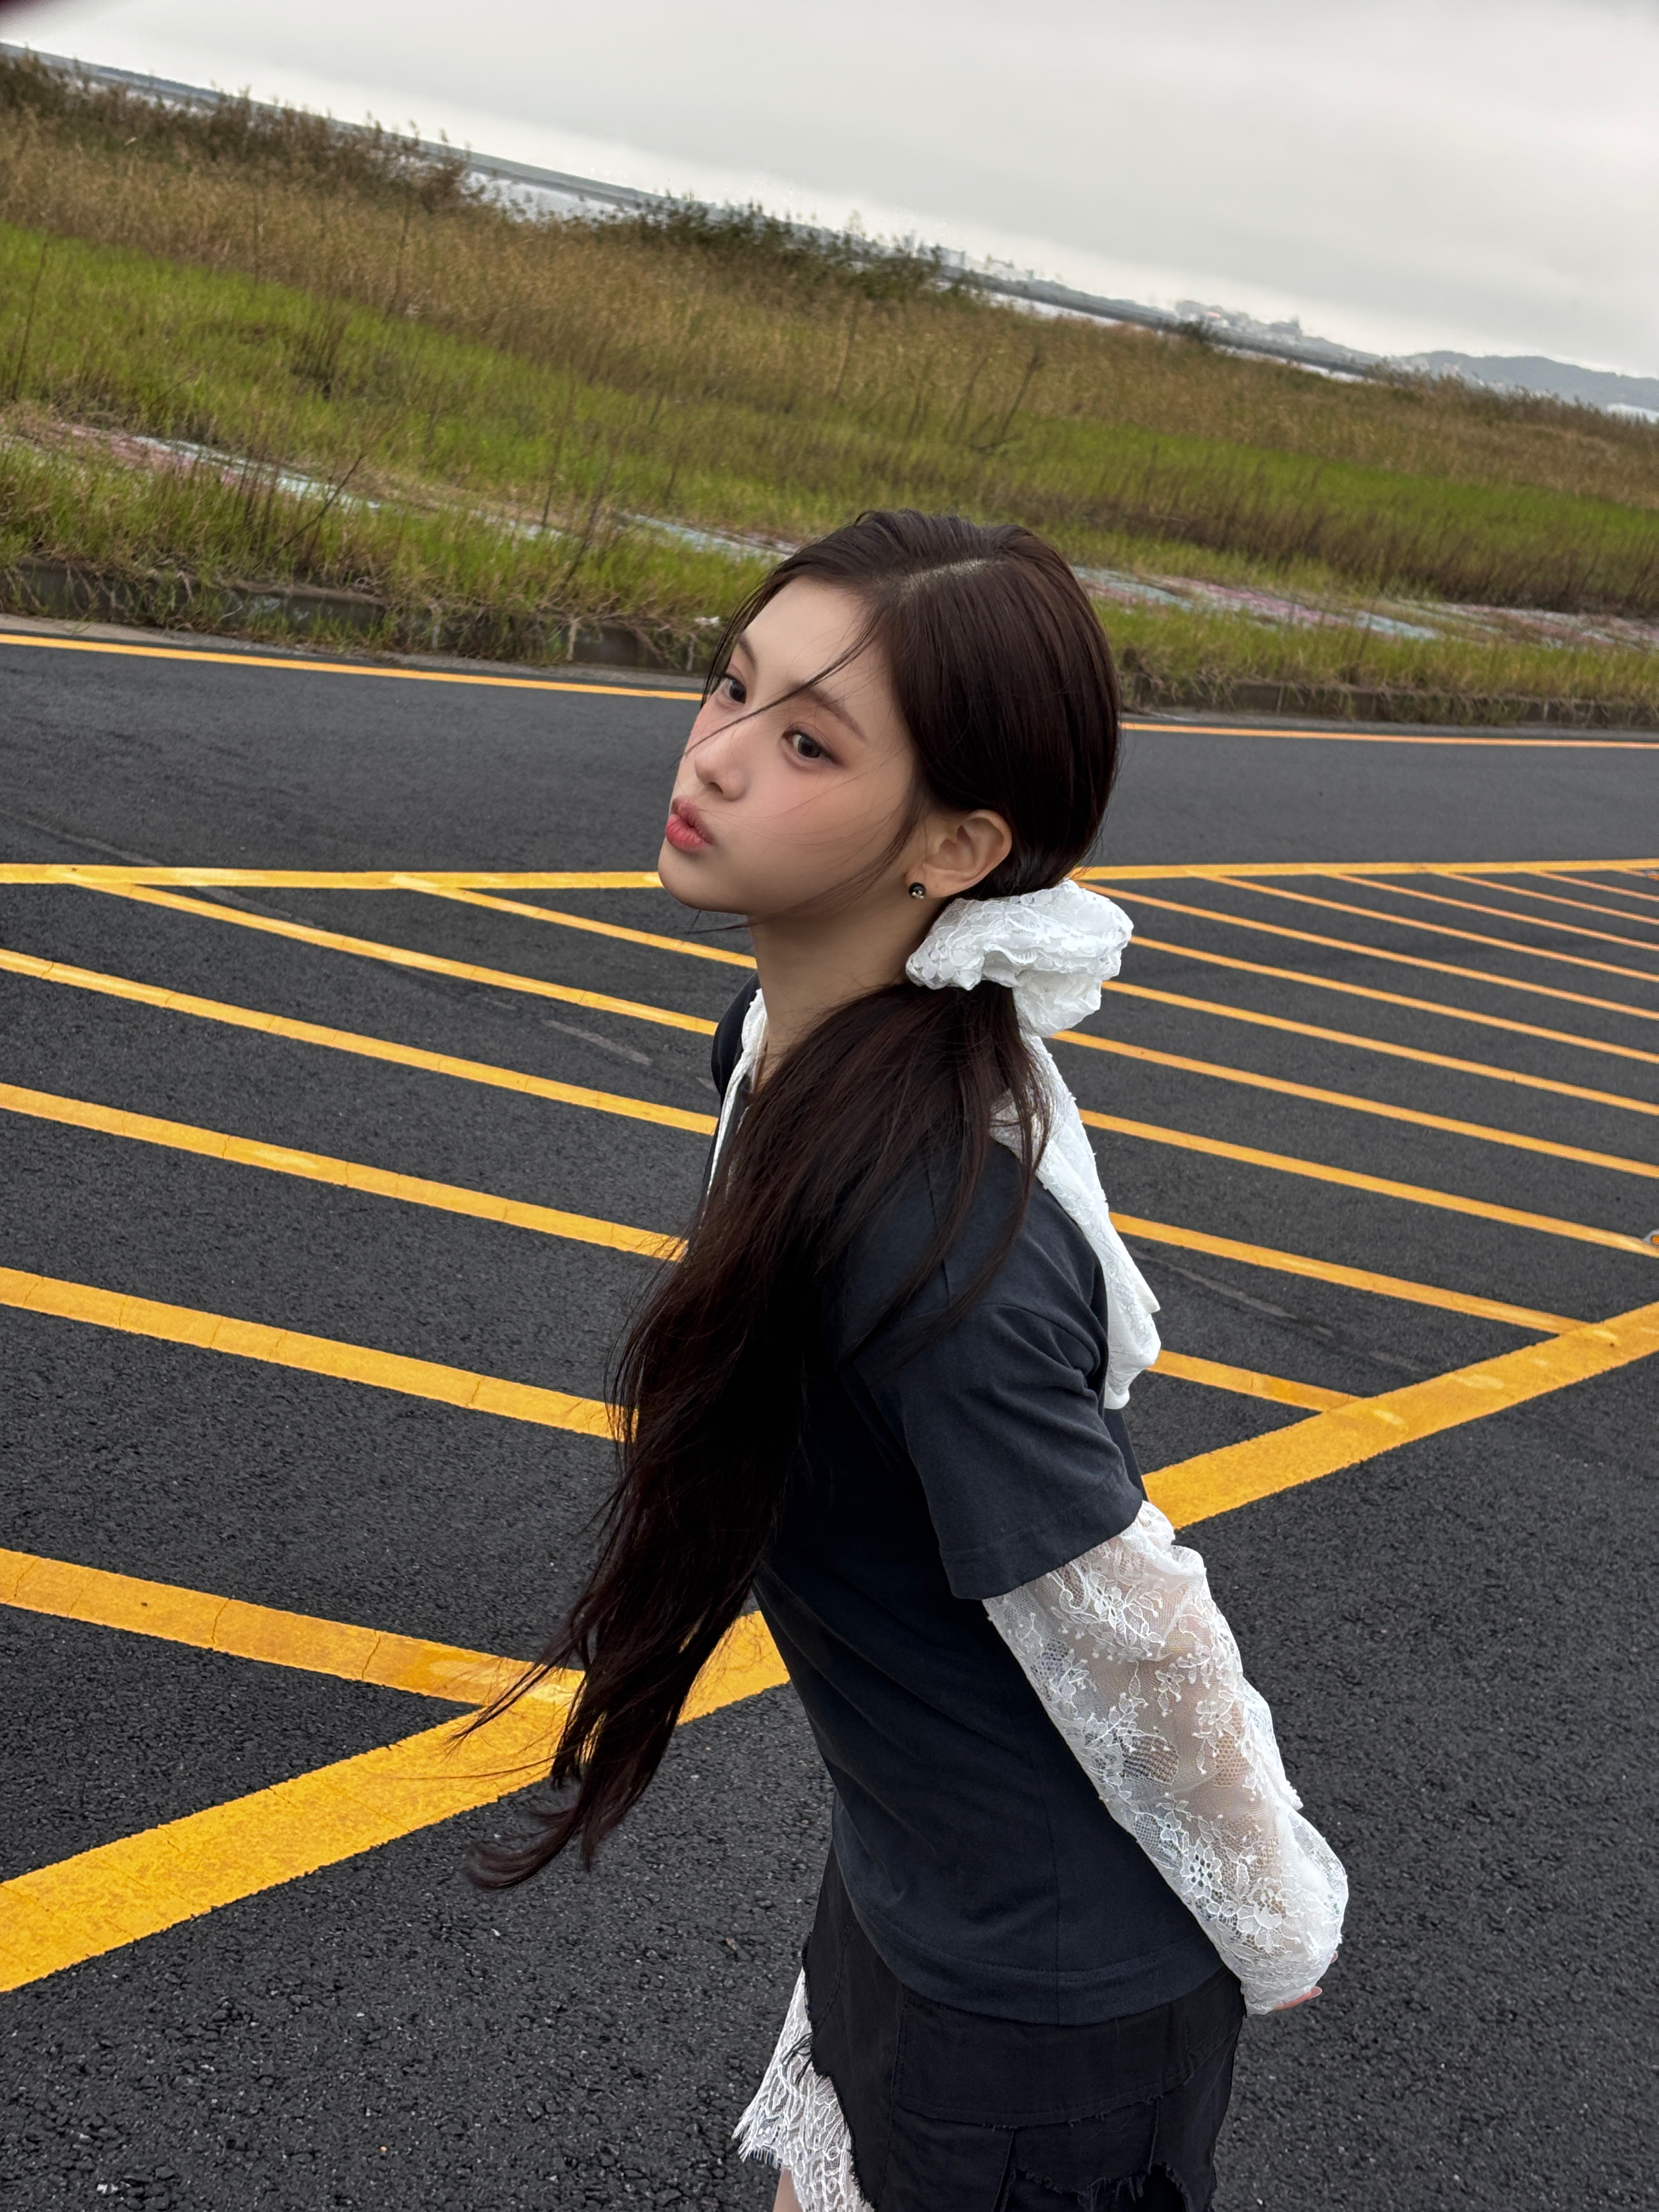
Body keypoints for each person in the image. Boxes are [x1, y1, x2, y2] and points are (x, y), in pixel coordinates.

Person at [475, 511, 1347, 2212]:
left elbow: (1135, 1626)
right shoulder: (793, 1053)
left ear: (955, 847)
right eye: (730, 686)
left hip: (1044, 2001)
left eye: (808, 742)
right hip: (914, 1885)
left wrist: (1275, 1917)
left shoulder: (934, 1236)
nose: (717, 756)